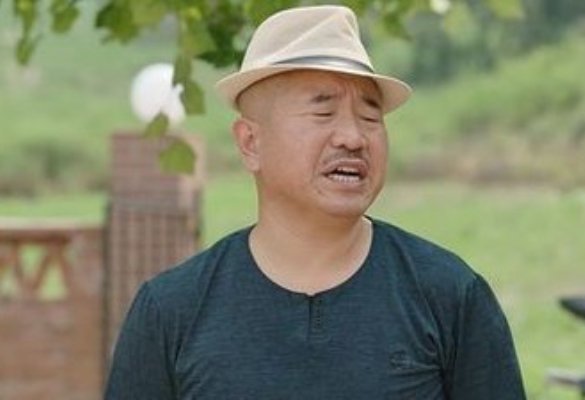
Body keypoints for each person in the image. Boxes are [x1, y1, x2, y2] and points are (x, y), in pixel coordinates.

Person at [105, 5, 526, 399]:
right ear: (251, 143)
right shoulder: (172, 310)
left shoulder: (449, 295)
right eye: (323, 113)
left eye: (370, 117)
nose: (353, 137)